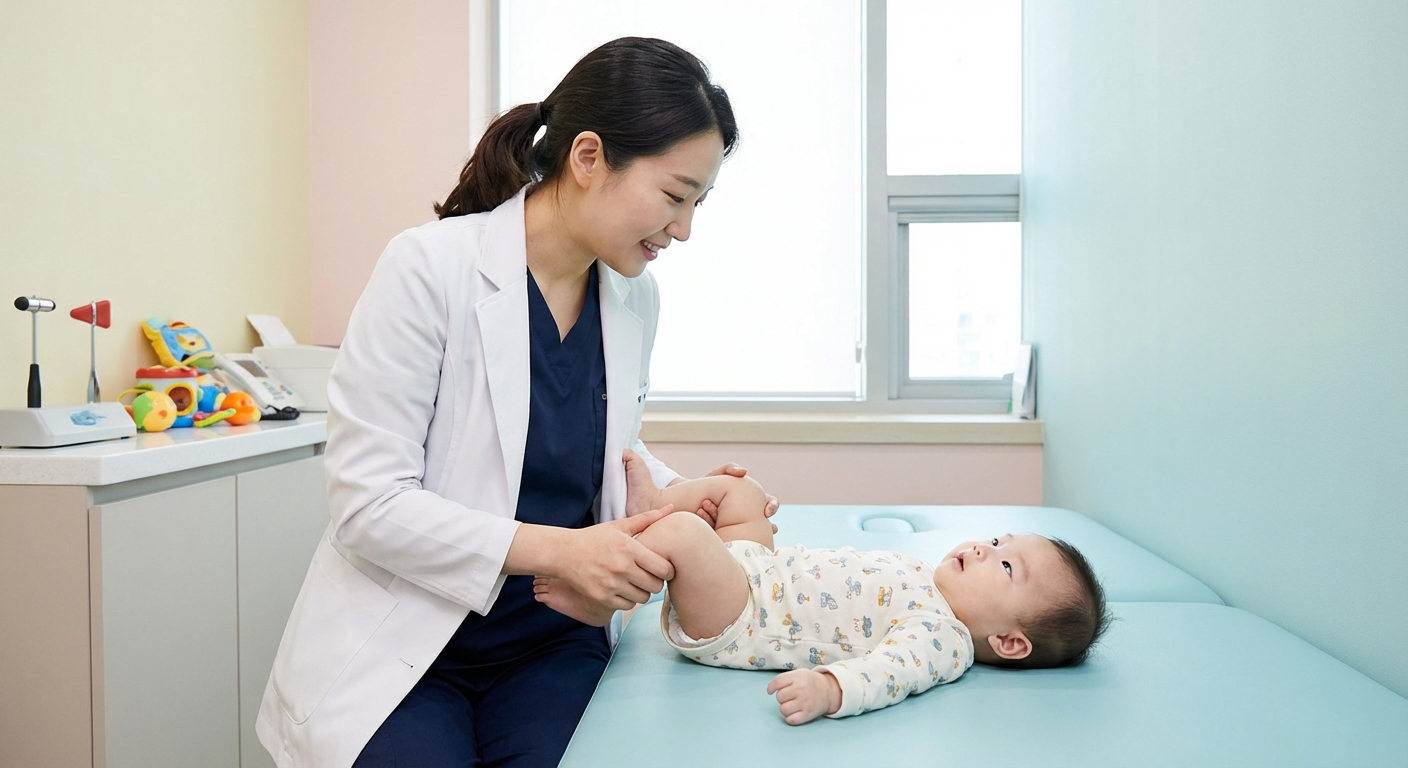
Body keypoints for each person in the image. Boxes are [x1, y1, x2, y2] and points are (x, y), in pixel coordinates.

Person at [257, 38, 778, 768]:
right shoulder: (429, 268)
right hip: (405, 642)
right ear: (589, 157)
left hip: (553, 641)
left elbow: (586, 439)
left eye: (698, 203)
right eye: (673, 195)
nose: (684, 228)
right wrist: (565, 550)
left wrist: (677, 493)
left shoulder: (632, 296)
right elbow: (369, 504)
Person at [536, 450, 1111, 725]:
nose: (985, 549)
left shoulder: (942, 637)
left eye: (1007, 567)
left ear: (1009, 641)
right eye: (998, 540)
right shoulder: (926, 580)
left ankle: (601, 600)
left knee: (684, 534)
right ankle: (654, 504)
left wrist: (830, 689)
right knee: (743, 492)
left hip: (743, 618)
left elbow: (889, 674)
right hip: (759, 570)